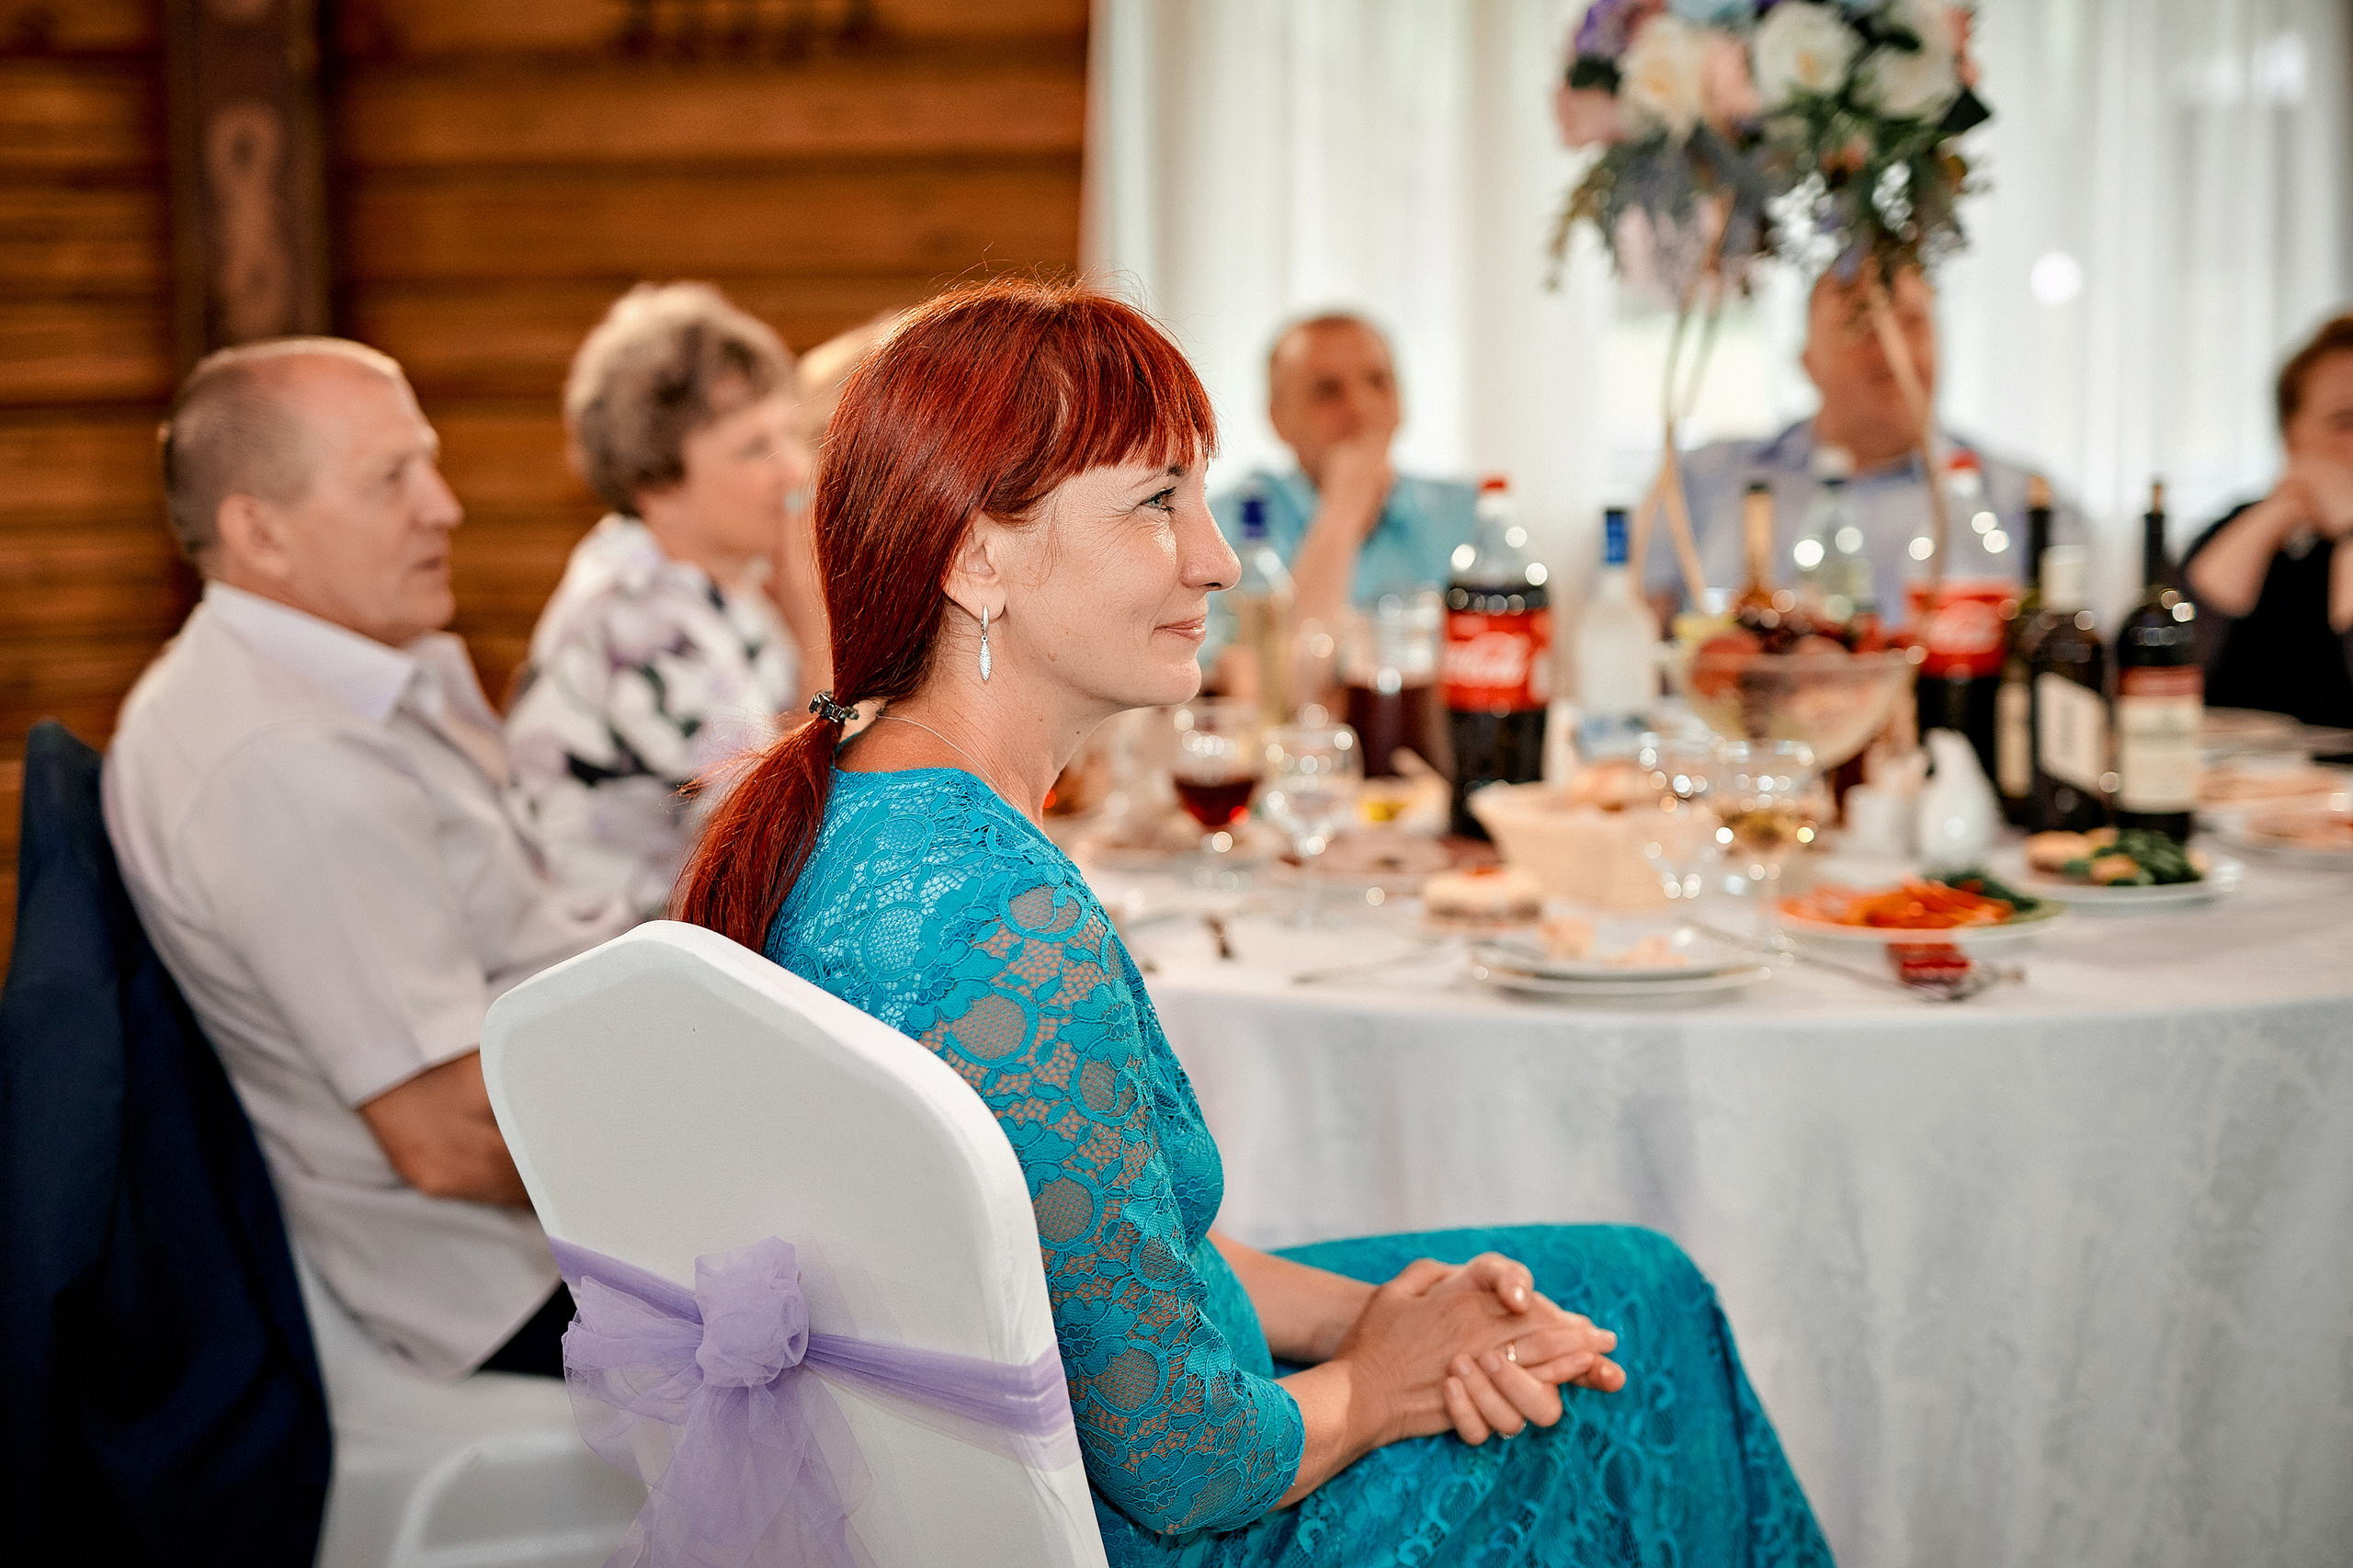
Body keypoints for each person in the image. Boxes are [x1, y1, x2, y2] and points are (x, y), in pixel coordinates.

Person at [676, 279, 1829, 1563]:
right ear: (977, 558)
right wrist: (1385, 1380)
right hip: (1166, 1521)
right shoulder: (996, 919)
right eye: (1157, 502)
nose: (1215, 557)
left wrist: (1382, 1314)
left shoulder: (853, 813)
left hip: (1015, 1450)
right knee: (1641, 1319)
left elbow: (1105, 1245)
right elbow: (1187, 1461)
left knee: (1598, 1287)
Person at [104, 338, 631, 1381]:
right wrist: (716, 1161)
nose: (444, 505)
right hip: (519, 1282)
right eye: (391, 477)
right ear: (259, 530)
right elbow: (447, 1139)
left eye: (427, 462)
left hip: (568, 1170)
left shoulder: (353, 666)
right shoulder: (279, 761)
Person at [505, 284, 819, 918]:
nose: (795, 470)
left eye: (788, 434)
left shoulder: (722, 577)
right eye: (755, 447)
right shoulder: (638, 612)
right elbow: (778, 836)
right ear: (655, 481)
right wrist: (820, 631)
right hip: (625, 964)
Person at [1665, 266, 2084, 618]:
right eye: (1862, 324)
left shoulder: (2025, 501)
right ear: (1807, 361)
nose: (1892, 349)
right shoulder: (1704, 479)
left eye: (1914, 324)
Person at [1205, 313, 1476, 677]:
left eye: (1378, 382)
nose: (1360, 407)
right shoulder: (1221, 524)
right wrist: (1341, 516)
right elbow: (1261, 685)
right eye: (1328, 391)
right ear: (1277, 418)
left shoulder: (1468, 514)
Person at [2182, 312, 2353, 729]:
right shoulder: (2234, 528)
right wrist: (2278, 513)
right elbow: (2167, 671)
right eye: (2345, 423)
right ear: (2291, 436)